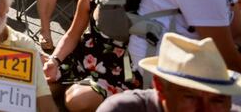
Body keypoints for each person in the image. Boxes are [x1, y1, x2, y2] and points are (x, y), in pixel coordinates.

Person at [43, 0, 137, 111]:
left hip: (114, 72)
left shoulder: (135, 0)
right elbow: (72, 34)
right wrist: (54, 60)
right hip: (80, 61)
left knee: (76, 100)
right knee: (40, 90)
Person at [97, 33, 241, 112]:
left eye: (217, 100)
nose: (204, 109)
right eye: (190, 97)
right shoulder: (123, 110)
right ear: (160, 87)